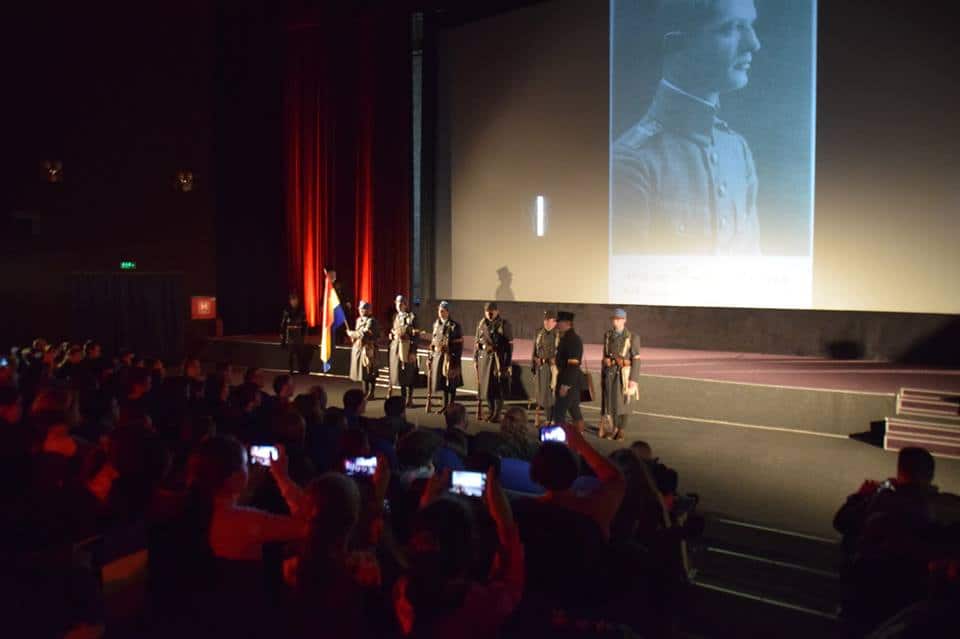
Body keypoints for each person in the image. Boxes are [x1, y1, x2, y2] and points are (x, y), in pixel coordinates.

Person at [611, 0, 762, 255]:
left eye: (750, 26)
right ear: (676, 44)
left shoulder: (737, 151)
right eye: (730, 28)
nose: (754, 43)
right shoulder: (631, 162)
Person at [393, 468, 523, 638]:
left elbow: (425, 546)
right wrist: (504, 520)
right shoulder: (480, 605)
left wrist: (427, 503)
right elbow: (512, 585)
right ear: (469, 551)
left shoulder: (403, 592)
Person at [599, 308, 642, 440]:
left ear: (624, 320)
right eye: (614, 319)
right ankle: (614, 427)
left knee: (624, 402)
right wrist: (604, 364)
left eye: (618, 319)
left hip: (624, 374)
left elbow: (636, 359)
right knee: (611, 401)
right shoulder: (608, 335)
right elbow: (605, 354)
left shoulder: (632, 337)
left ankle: (621, 429)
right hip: (610, 372)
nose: (615, 321)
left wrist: (633, 379)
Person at [474, 302, 513, 422]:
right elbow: (477, 342)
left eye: (492, 311)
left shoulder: (504, 324)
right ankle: (491, 411)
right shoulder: (481, 323)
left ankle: (497, 413)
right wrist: (475, 358)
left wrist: (507, 363)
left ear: (497, 311)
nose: (489, 314)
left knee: (497, 388)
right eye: (487, 312)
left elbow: (509, 346)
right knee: (487, 387)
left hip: (498, 360)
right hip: (484, 360)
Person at [550, 311, 585, 432]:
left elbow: (573, 365)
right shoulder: (566, 338)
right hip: (571, 381)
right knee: (575, 411)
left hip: (569, 382)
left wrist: (565, 385)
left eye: (560, 322)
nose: (557, 324)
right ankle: (579, 436)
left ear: (567, 323)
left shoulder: (572, 340)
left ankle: (559, 439)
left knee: (559, 413)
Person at [427, 301, 463, 414]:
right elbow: (433, 340)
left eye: (443, 311)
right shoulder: (436, 324)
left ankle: (451, 406)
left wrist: (450, 351)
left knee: (451, 383)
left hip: (450, 358)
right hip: (439, 357)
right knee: (443, 383)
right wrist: (430, 355)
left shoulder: (454, 326)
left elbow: (459, 343)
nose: (440, 313)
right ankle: (444, 405)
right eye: (439, 310)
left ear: (447, 312)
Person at [389, 295, 421, 408]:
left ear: (405, 305)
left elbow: (416, 335)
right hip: (396, 348)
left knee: (409, 374)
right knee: (401, 375)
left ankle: (409, 398)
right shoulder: (395, 316)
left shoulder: (411, 316)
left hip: (408, 349)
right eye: (397, 303)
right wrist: (391, 335)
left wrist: (413, 351)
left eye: (400, 303)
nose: (398, 305)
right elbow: (393, 330)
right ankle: (403, 398)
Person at [348, 300, 380, 400]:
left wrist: (352, 334)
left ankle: (371, 391)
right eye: (360, 308)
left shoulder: (371, 321)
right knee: (363, 372)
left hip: (369, 349)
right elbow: (358, 333)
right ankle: (365, 391)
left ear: (369, 310)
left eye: (364, 309)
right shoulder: (358, 320)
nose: (361, 310)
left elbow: (364, 333)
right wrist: (353, 337)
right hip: (359, 348)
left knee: (370, 371)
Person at [530, 310, 558, 425]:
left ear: (555, 322)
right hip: (540, 367)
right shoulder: (539, 332)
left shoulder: (558, 334)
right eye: (545, 320)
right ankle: (547, 418)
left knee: (551, 394)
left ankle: (552, 418)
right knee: (542, 393)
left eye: (549, 320)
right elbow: (534, 350)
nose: (546, 322)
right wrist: (533, 364)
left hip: (552, 368)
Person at [281, 292, 309, 375]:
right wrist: (282, 333)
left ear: (297, 300)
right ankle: (291, 370)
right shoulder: (287, 310)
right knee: (291, 353)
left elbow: (305, 323)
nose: (293, 302)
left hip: (299, 333)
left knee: (300, 353)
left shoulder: (301, 310)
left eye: (295, 300)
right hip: (290, 333)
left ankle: (302, 370)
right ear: (290, 301)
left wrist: (305, 334)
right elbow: (283, 322)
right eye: (292, 300)